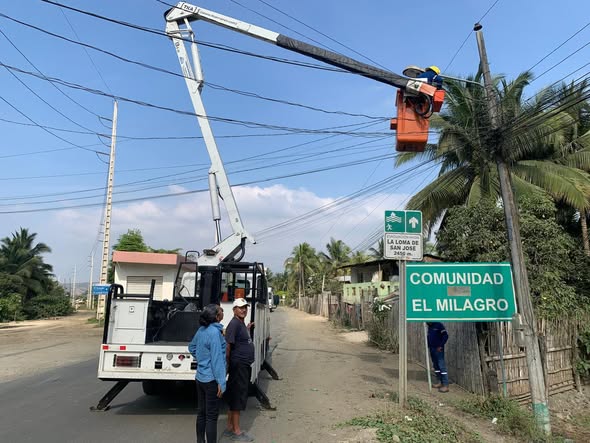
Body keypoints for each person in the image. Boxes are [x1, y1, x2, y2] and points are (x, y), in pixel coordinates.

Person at [189, 304, 226, 443]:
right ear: (216, 316)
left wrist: (201, 358)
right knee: (211, 416)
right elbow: (217, 360)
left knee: (202, 413)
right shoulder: (214, 333)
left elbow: (191, 347)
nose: (223, 311)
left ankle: (200, 441)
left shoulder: (202, 330)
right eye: (221, 310)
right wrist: (221, 382)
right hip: (211, 380)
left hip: (200, 378)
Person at [223, 298, 255, 442]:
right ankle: (236, 431)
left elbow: (240, 339)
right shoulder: (234, 324)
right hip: (238, 366)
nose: (243, 310)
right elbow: (228, 346)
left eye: (245, 307)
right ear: (234, 309)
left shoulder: (240, 323)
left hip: (243, 365)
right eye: (241, 308)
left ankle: (230, 426)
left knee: (235, 395)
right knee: (238, 397)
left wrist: (247, 328)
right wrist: (228, 365)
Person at [426, 321, 449, 393]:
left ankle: (445, 385)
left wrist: (441, 345)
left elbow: (445, 336)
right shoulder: (429, 327)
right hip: (432, 349)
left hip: (438, 349)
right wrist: (428, 345)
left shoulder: (439, 325)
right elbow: (429, 337)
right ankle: (439, 382)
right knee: (436, 366)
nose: (426, 322)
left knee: (441, 366)